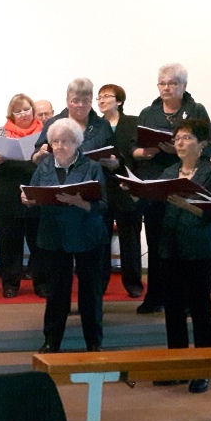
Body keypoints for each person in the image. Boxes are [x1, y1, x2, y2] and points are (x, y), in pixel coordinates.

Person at [147, 119, 211, 394]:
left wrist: (188, 205)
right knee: (174, 309)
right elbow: (154, 201)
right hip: (170, 247)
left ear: (203, 144)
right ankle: (177, 366)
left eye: (187, 138)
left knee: (200, 309)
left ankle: (203, 368)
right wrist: (137, 193)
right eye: (177, 138)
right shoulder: (169, 171)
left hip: (199, 249)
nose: (180, 142)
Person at [132, 63, 211, 314]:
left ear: (183, 86)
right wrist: (150, 151)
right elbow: (135, 151)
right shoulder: (148, 112)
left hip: (186, 184)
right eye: (162, 83)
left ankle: (187, 300)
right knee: (158, 246)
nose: (166, 88)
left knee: (185, 245)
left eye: (172, 83)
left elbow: (208, 149)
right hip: (156, 186)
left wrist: (180, 149)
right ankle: (155, 296)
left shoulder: (196, 110)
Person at [24, 118, 108, 353]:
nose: (59, 146)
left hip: (86, 236)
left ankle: (94, 342)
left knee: (90, 293)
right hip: (54, 236)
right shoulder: (44, 167)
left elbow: (103, 205)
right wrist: (28, 200)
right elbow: (33, 195)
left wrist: (80, 202)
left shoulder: (91, 167)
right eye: (55, 141)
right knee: (57, 292)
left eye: (65, 141)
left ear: (77, 143)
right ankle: (51, 341)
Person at [0, 94, 44, 298]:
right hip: (6, 196)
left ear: (33, 110)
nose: (23, 114)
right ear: (11, 114)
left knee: (39, 244)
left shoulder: (45, 133)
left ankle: (41, 284)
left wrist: (43, 156)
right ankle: (10, 284)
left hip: (37, 195)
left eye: (27, 109)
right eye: (18, 111)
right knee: (9, 244)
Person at [96, 84, 144, 298]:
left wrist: (120, 164)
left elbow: (137, 154)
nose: (101, 100)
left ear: (120, 101)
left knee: (130, 238)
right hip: (102, 187)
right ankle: (101, 282)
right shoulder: (95, 126)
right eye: (99, 97)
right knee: (101, 237)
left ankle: (133, 283)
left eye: (107, 96)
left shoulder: (133, 123)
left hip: (126, 185)